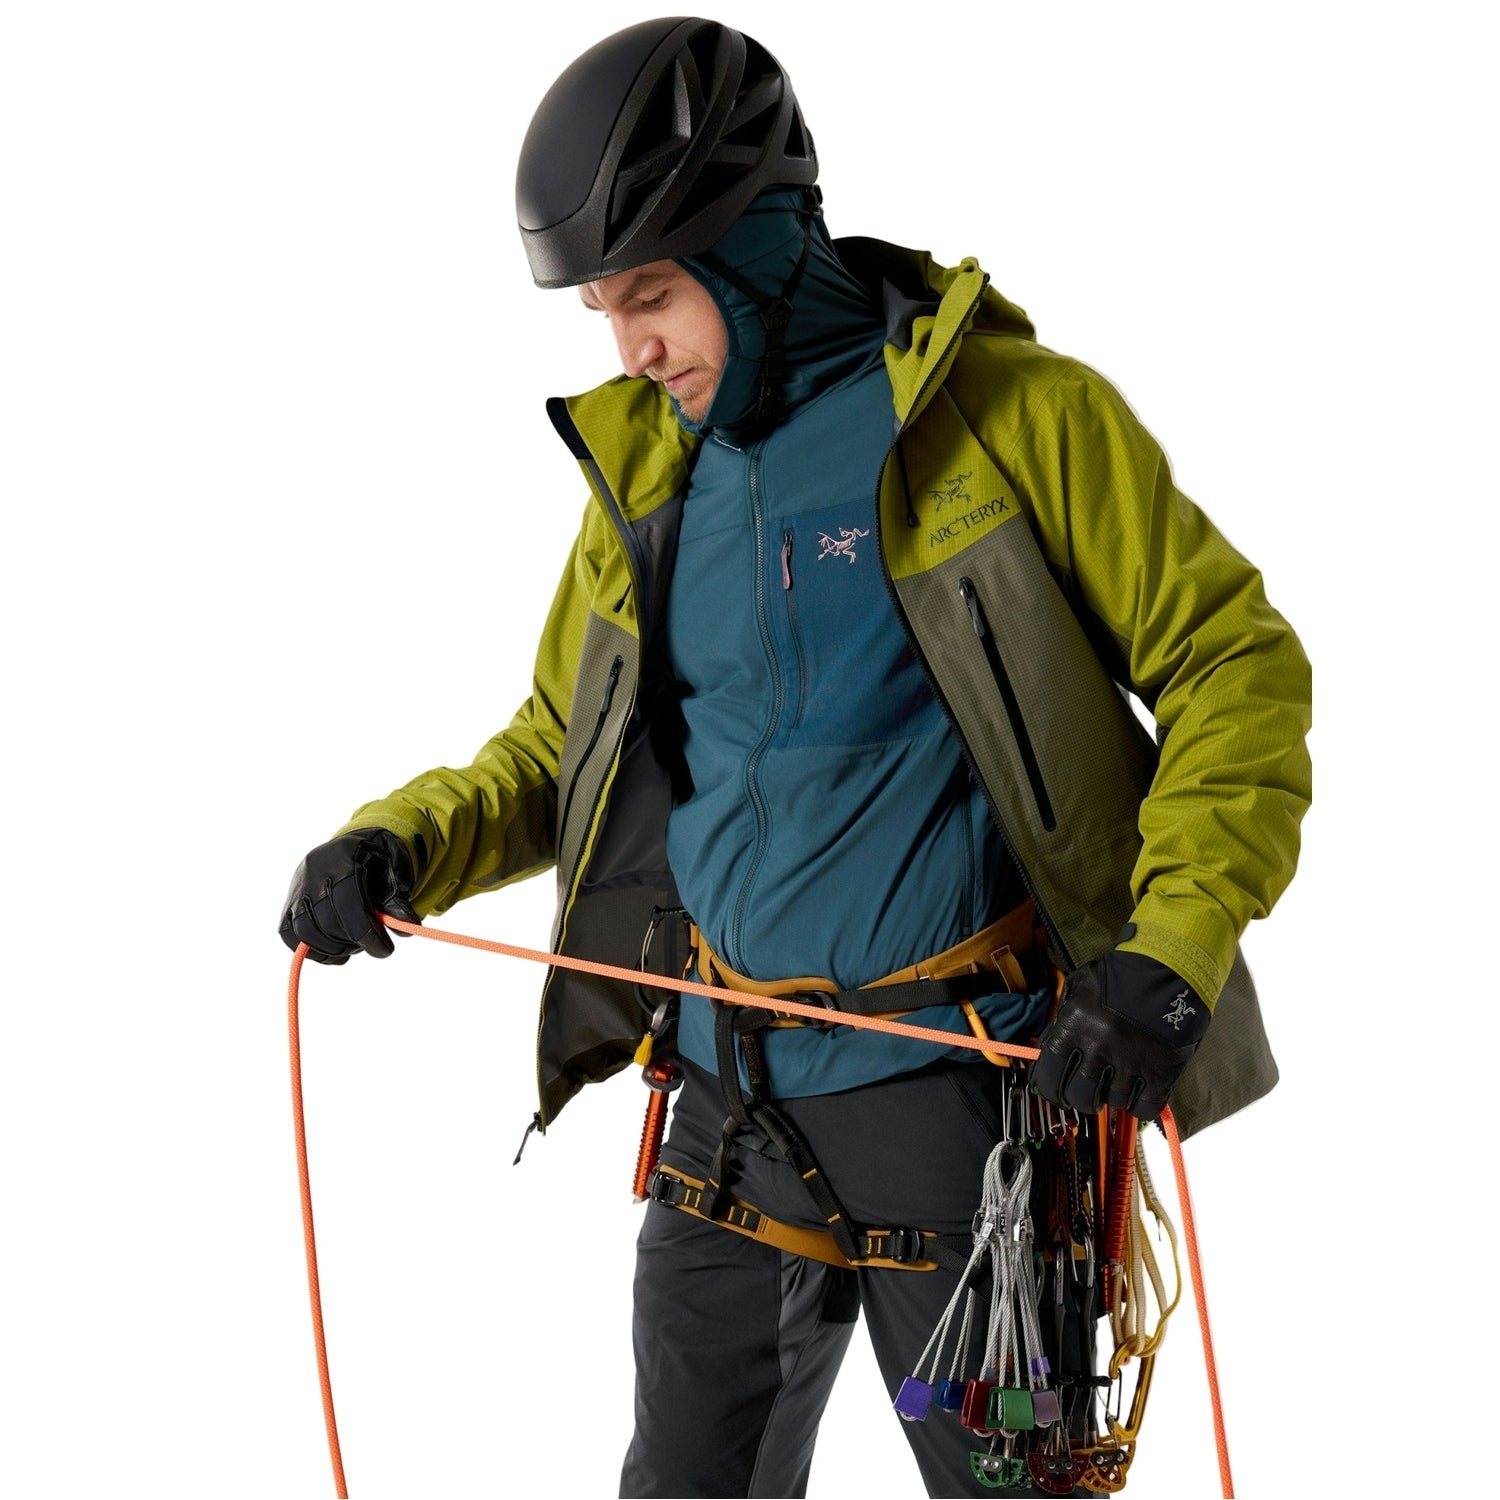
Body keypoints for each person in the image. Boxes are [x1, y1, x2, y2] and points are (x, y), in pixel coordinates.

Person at [279, 17, 1311, 1497]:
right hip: (727, 1115)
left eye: (653, 295)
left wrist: (1173, 949)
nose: (633, 350)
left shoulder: (1016, 423)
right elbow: (564, 744)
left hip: (971, 1131)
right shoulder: (653, 474)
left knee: (1011, 1483)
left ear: (758, 243)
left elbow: (1234, 665)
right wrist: (402, 843)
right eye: (603, 311)